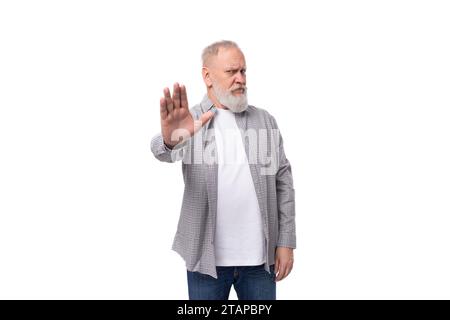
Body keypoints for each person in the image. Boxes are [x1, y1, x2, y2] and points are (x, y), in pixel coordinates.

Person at [151, 40, 296, 300]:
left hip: (260, 263)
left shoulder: (264, 120)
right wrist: (172, 138)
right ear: (207, 75)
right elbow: (162, 152)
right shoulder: (190, 119)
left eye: (243, 71)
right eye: (231, 72)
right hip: (206, 263)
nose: (240, 79)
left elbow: (283, 181)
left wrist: (285, 241)